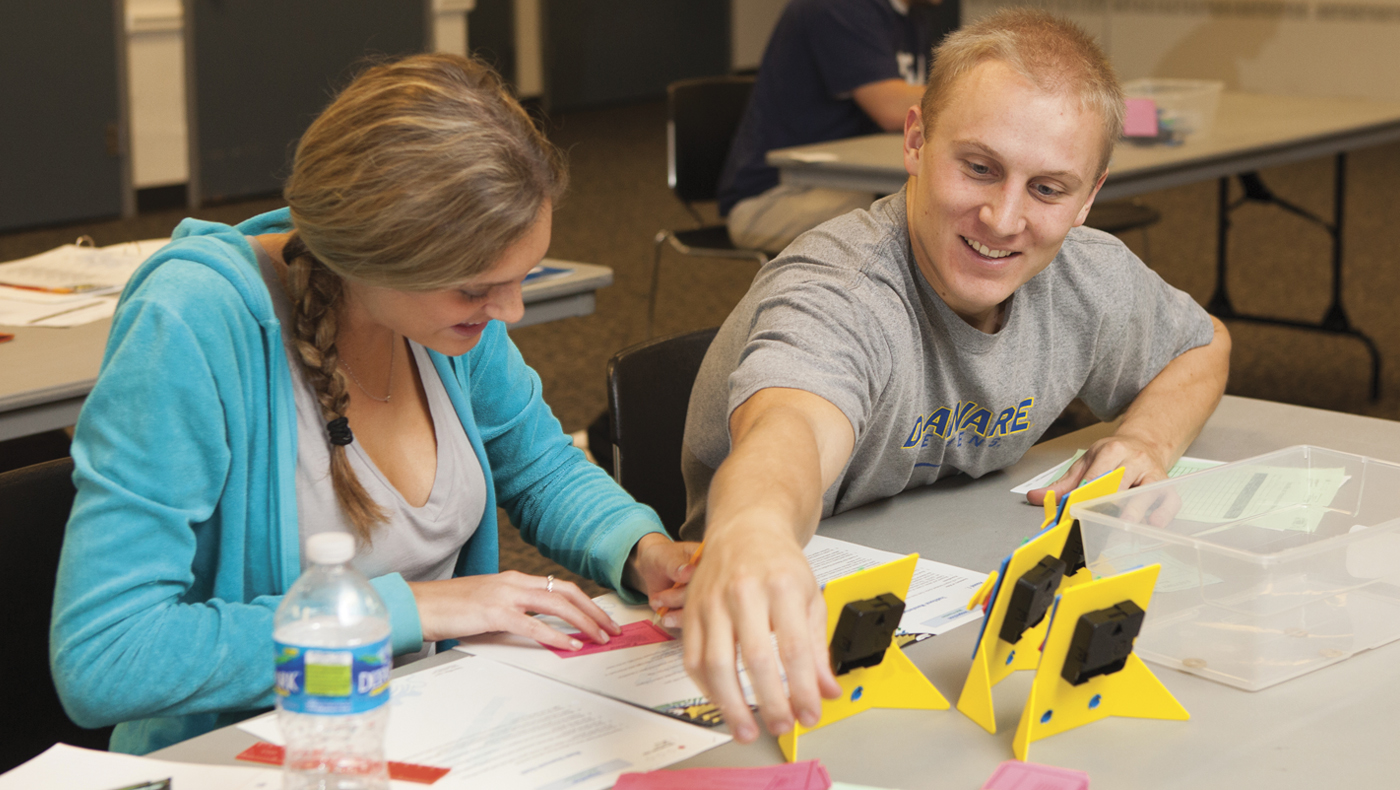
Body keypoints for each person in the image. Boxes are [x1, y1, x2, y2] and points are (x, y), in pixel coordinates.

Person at [49, 53, 695, 755]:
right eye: (477, 288)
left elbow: (538, 465)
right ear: (371, 256)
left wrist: (643, 551)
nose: (508, 311)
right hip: (251, 754)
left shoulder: (441, 321)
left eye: (523, 276)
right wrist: (408, 609)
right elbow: (107, 655)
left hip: (435, 724)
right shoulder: (194, 323)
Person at [676, 9, 1231, 744]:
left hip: (953, 592)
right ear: (915, 141)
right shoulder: (843, 289)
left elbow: (1203, 346)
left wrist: (1148, 441)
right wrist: (752, 529)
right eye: (978, 167)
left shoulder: (1086, 274)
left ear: (1089, 196)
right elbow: (792, 428)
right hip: (787, 636)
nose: (1003, 218)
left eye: (1048, 189)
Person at [719, 0, 959, 253]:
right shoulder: (836, 6)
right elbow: (890, 108)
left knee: (938, 204)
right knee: (908, 218)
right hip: (774, 196)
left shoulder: (913, 15)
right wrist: (975, 95)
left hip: (850, 183)